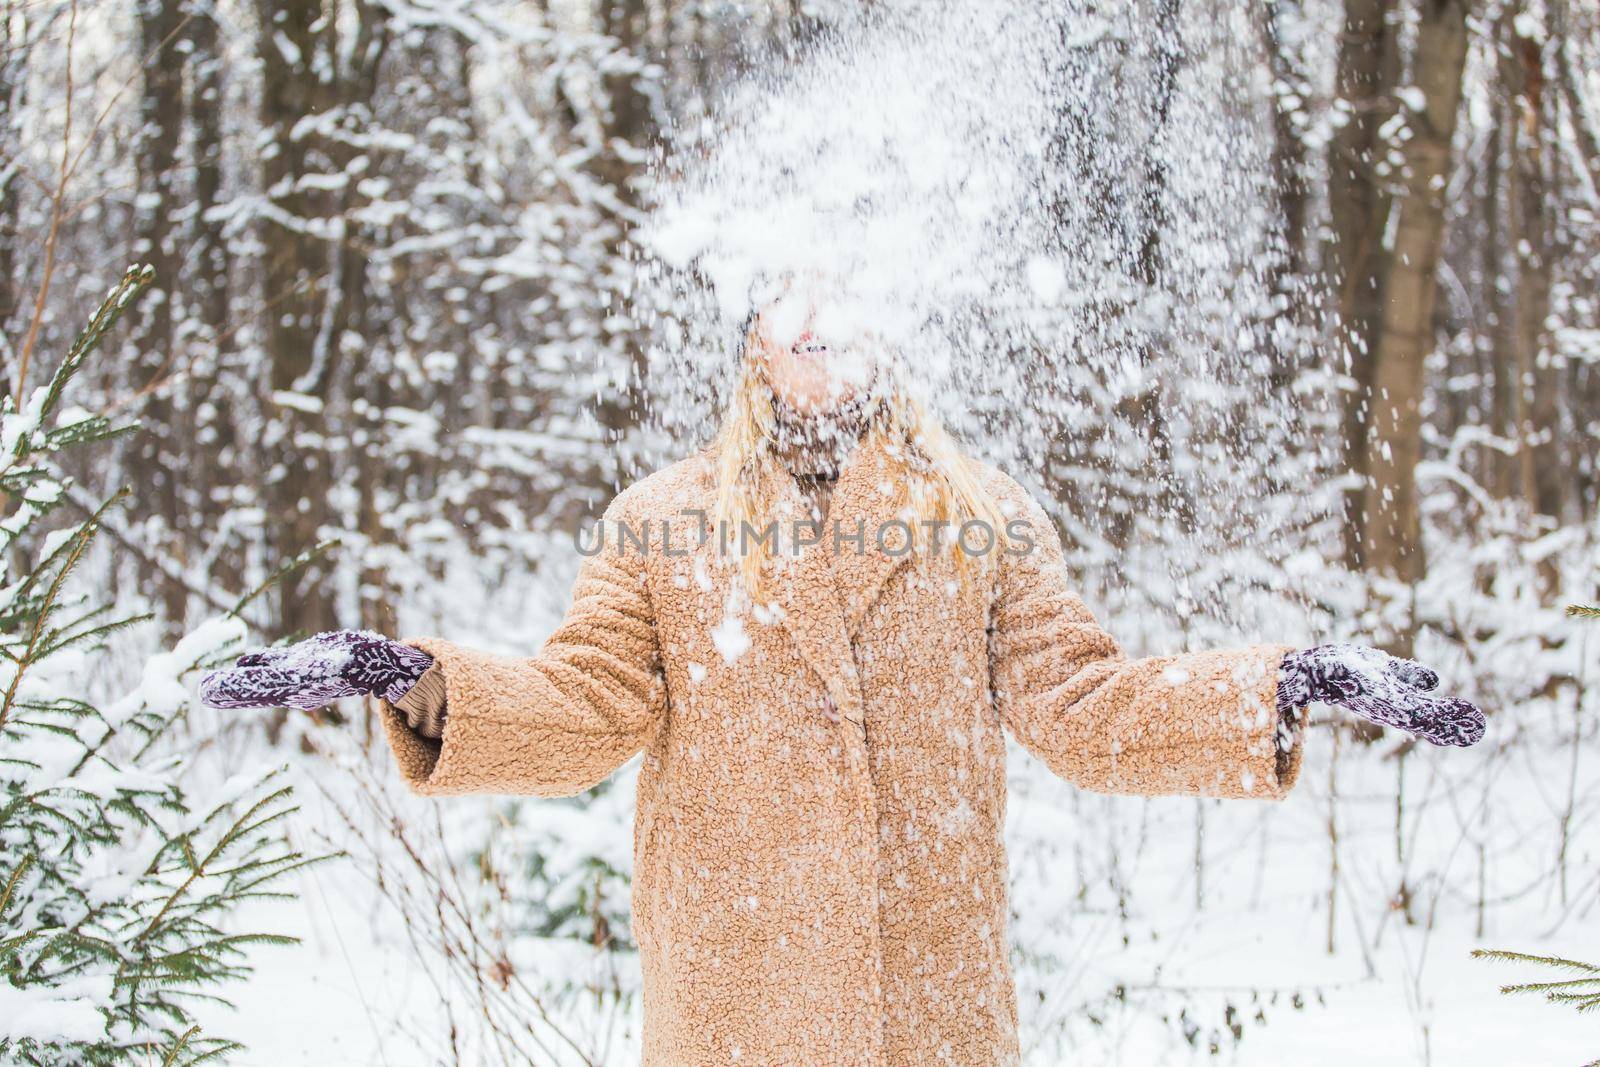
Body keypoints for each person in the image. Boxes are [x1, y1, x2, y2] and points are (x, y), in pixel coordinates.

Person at [202, 280, 1485, 1066]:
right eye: (789, 290)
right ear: (755, 336)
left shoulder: (982, 514)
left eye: (851, 282)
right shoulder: (662, 518)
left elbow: (1084, 707)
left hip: (925, 1004)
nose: (818, 309)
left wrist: (1284, 680)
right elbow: (587, 703)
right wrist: (416, 679)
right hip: (735, 1003)